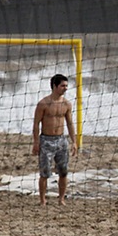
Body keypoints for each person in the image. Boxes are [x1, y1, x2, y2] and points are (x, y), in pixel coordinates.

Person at [32, 74, 78, 206]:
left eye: (66, 86)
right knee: (45, 172)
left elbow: (70, 123)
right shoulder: (43, 103)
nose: (65, 88)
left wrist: (74, 141)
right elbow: (36, 124)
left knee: (63, 171)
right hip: (46, 140)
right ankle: (42, 200)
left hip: (61, 140)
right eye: (63, 85)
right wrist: (36, 143)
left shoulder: (67, 104)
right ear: (54, 86)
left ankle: (61, 199)